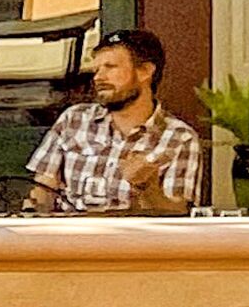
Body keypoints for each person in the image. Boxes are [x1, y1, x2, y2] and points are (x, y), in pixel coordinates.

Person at [25, 27, 205, 215]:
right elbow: (43, 190)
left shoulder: (180, 138)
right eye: (96, 70)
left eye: (110, 67)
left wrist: (147, 186)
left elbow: (177, 216)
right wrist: (31, 210)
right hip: (69, 237)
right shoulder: (74, 119)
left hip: (133, 240)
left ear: (145, 71)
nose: (98, 77)